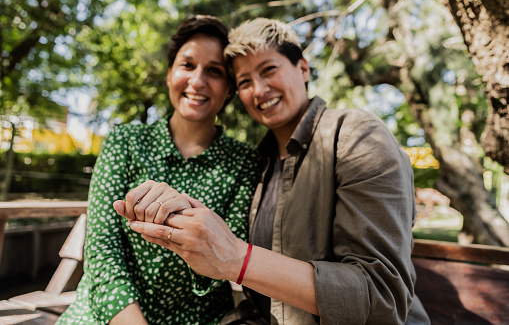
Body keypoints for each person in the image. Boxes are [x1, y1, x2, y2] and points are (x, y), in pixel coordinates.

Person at [118, 18, 430, 324]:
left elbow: (381, 297)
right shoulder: (258, 163)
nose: (259, 89)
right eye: (244, 82)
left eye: (268, 70)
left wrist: (237, 258)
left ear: (303, 68)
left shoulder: (356, 136)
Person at [56, 15, 260, 325]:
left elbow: (223, 263)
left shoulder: (244, 160)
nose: (197, 81)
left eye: (214, 71)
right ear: (169, 74)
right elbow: (101, 249)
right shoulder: (125, 141)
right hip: (107, 314)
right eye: (187, 65)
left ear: (229, 90)